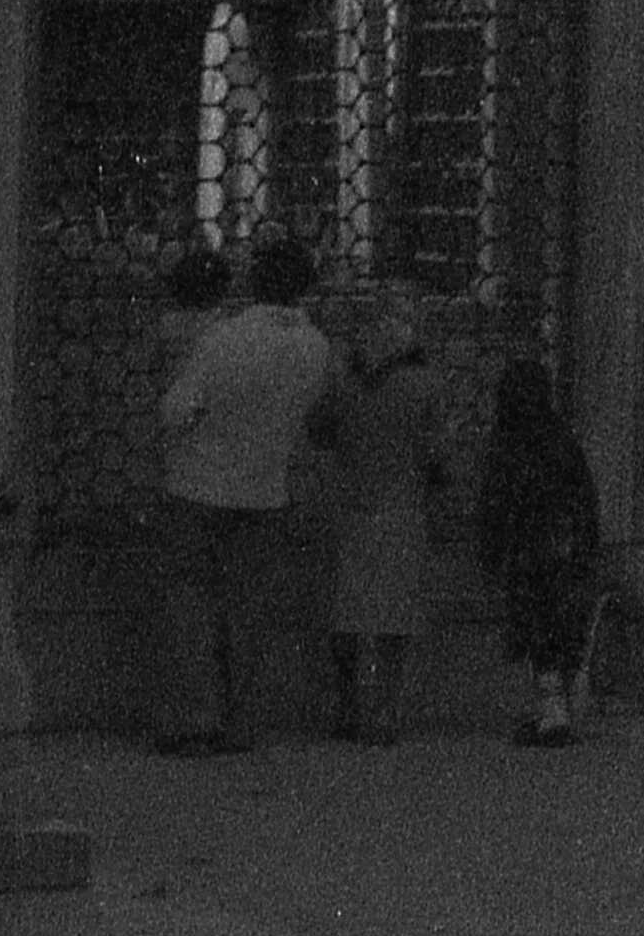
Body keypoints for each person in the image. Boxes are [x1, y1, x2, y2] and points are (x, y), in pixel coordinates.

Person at [156, 224, 342, 754]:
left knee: (190, 601)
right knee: (251, 609)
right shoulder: (316, 347)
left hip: (198, 486)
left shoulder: (226, 337)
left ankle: (195, 719)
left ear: (255, 281)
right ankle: (243, 721)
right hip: (265, 491)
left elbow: (176, 410)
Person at [322, 302, 451, 742]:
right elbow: (436, 455)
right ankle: (384, 712)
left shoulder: (344, 385)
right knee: (394, 620)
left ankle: (347, 707)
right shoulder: (425, 386)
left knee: (348, 616)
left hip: (351, 508)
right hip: (402, 511)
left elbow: (320, 431)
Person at [475, 343, 605, 743]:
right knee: (561, 626)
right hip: (564, 545)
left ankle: (552, 711)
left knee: (536, 627)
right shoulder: (560, 438)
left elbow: (496, 498)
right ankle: (560, 708)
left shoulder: (508, 443)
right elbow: (584, 495)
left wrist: (490, 549)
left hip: (527, 548)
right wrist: (587, 542)